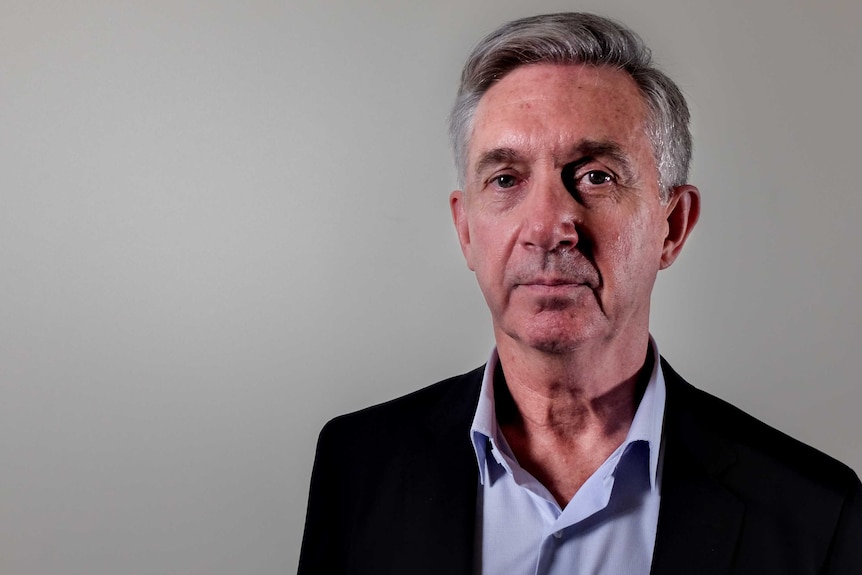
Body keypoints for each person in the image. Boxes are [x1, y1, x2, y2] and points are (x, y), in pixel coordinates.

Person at [297, 12, 862, 575]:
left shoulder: (816, 512)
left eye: (595, 175)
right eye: (505, 179)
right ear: (466, 230)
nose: (547, 225)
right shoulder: (356, 465)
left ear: (673, 226)